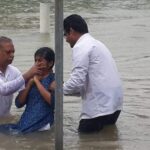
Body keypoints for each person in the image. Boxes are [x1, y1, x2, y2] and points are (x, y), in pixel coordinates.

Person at [63, 14, 123, 133]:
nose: (66, 39)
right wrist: (64, 87)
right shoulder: (97, 44)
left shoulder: (81, 46)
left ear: (71, 30)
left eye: (65, 34)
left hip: (98, 108)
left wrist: (58, 89)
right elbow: (84, 84)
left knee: (84, 141)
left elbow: (76, 83)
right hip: (115, 105)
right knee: (106, 141)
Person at [0, 47, 55, 134]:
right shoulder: (30, 79)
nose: (37, 64)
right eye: (36, 61)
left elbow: (54, 103)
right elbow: (18, 103)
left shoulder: (54, 80)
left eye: (40, 61)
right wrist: (29, 84)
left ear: (50, 63)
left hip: (43, 125)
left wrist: (37, 82)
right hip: (26, 122)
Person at [0, 36, 41, 117]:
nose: (12, 55)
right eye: (8, 52)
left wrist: (32, 81)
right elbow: (3, 90)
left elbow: (21, 100)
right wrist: (28, 74)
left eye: (13, 52)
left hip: (5, 118)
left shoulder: (14, 71)